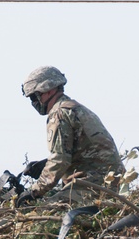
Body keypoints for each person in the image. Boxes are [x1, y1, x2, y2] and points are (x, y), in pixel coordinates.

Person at [16, 66, 125, 207]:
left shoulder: (59, 114)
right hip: (111, 184)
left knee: (40, 210)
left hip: (93, 187)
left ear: (48, 90)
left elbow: (60, 159)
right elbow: (84, 151)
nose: (33, 103)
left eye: (34, 96)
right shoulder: (74, 108)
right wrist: (44, 165)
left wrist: (34, 191)